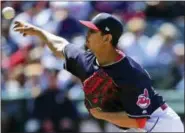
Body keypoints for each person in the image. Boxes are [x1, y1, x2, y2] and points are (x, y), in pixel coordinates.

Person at [13, 13, 184, 132]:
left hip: (160, 124)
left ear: (107, 38)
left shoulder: (130, 73)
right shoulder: (86, 61)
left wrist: (102, 114)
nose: (87, 34)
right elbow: (60, 46)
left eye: (93, 31)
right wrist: (39, 32)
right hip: (137, 127)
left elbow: (138, 120)